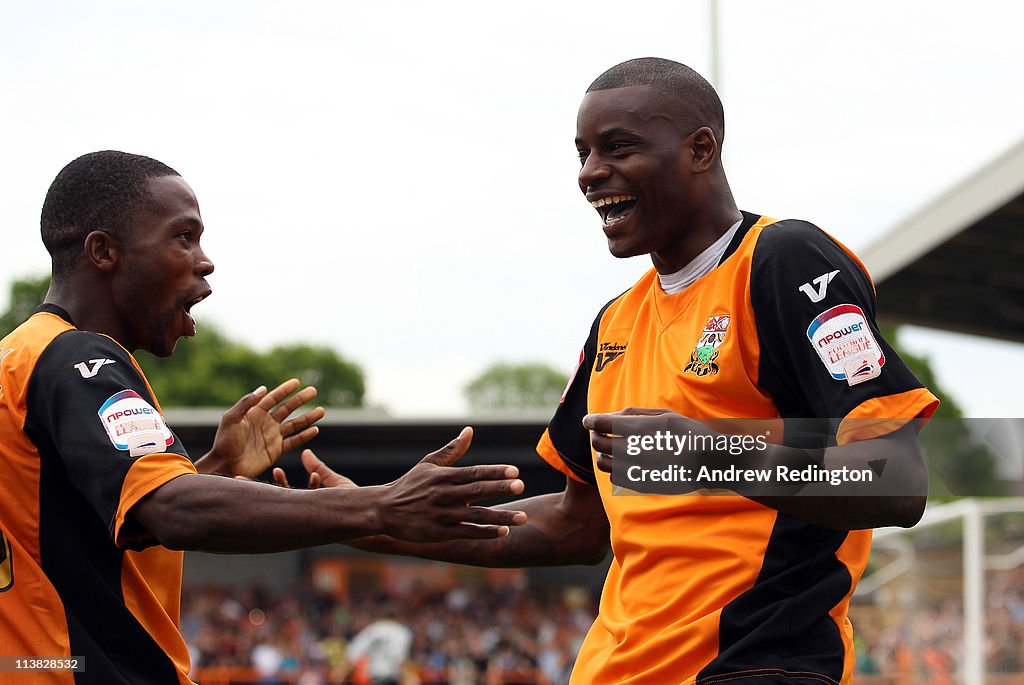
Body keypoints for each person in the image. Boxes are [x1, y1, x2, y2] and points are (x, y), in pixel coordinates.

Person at [294, 58, 940, 684]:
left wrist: (702, 454)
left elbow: (896, 477)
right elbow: (577, 523)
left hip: (755, 662)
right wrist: (385, 518)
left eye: (618, 147)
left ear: (701, 149)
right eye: (583, 153)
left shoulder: (782, 259)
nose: (591, 173)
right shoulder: (616, 322)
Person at [0, 151, 526, 685]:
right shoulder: (77, 359)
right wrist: (381, 506)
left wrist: (213, 470)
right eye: (184, 237)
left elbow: (85, 529)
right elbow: (171, 512)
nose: (204, 261)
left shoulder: (21, 361)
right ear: (103, 251)